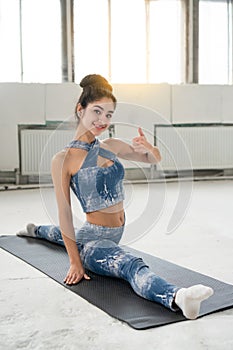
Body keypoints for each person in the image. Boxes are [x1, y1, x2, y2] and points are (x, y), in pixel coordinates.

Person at [17, 74, 213, 319]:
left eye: (108, 115)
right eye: (97, 112)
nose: (103, 120)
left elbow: (154, 160)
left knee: (62, 234)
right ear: (81, 110)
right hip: (95, 241)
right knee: (130, 265)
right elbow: (65, 212)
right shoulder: (63, 160)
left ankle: (35, 229)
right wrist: (75, 262)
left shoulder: (111, 144)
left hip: (112, 231)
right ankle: (178, 297)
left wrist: (148, 148)